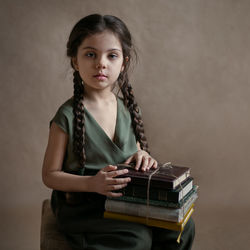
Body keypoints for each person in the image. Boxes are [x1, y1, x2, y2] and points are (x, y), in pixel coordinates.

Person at [42, 14, 195, 250]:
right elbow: (50, 175)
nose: (101, 63)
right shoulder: (67, 115)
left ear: (123, 62)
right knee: (135, 239)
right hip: (84, 204)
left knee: (181, 227)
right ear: (75, 60)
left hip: (126, 199)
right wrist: (93, 183)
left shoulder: (128, 108)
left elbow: (133, 152)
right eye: (90, 54)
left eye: (111, 55)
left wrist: (142, 155)